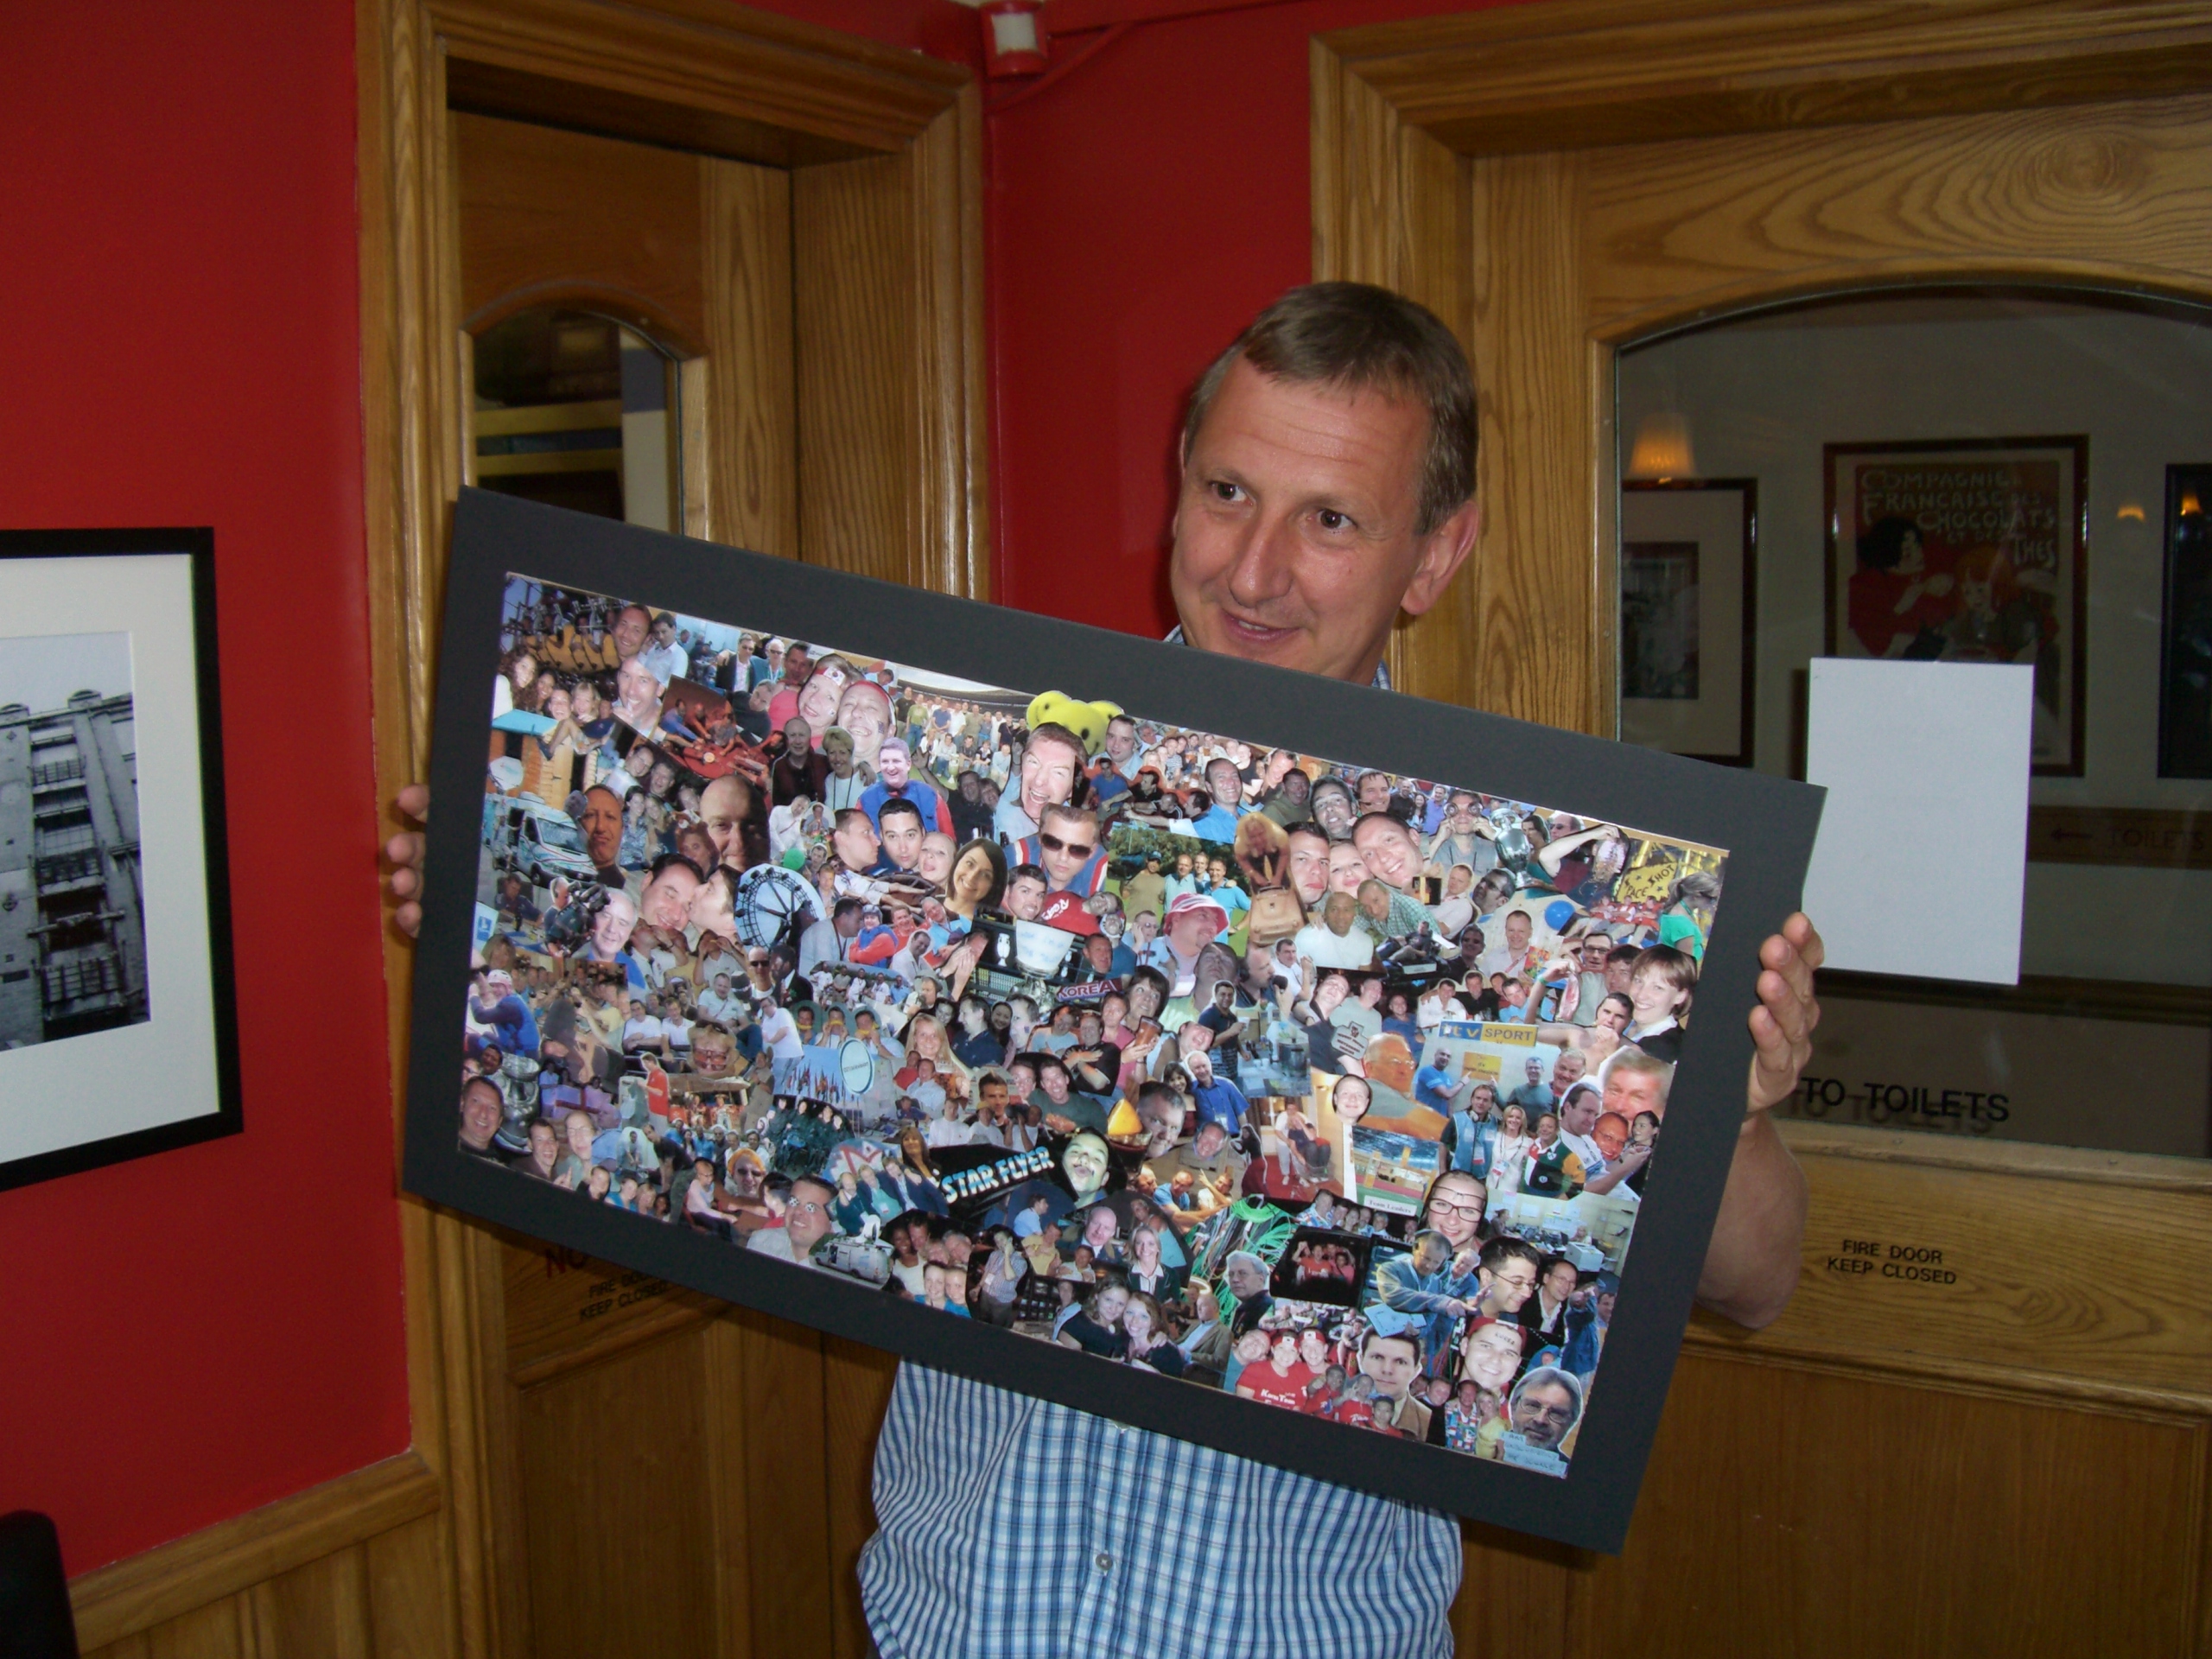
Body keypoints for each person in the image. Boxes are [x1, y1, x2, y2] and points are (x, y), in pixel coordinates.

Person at [384, 282, 1822, 1659]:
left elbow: (1756, 1284)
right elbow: (750, 1029)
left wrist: (1732, 1110)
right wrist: (510, 899)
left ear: (1436, 556)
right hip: (957, 1622)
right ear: (1178, 481)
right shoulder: (989, 773)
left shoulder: (1527, 881)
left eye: (1331, 519)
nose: (1253, 571)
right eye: (1228, 492)